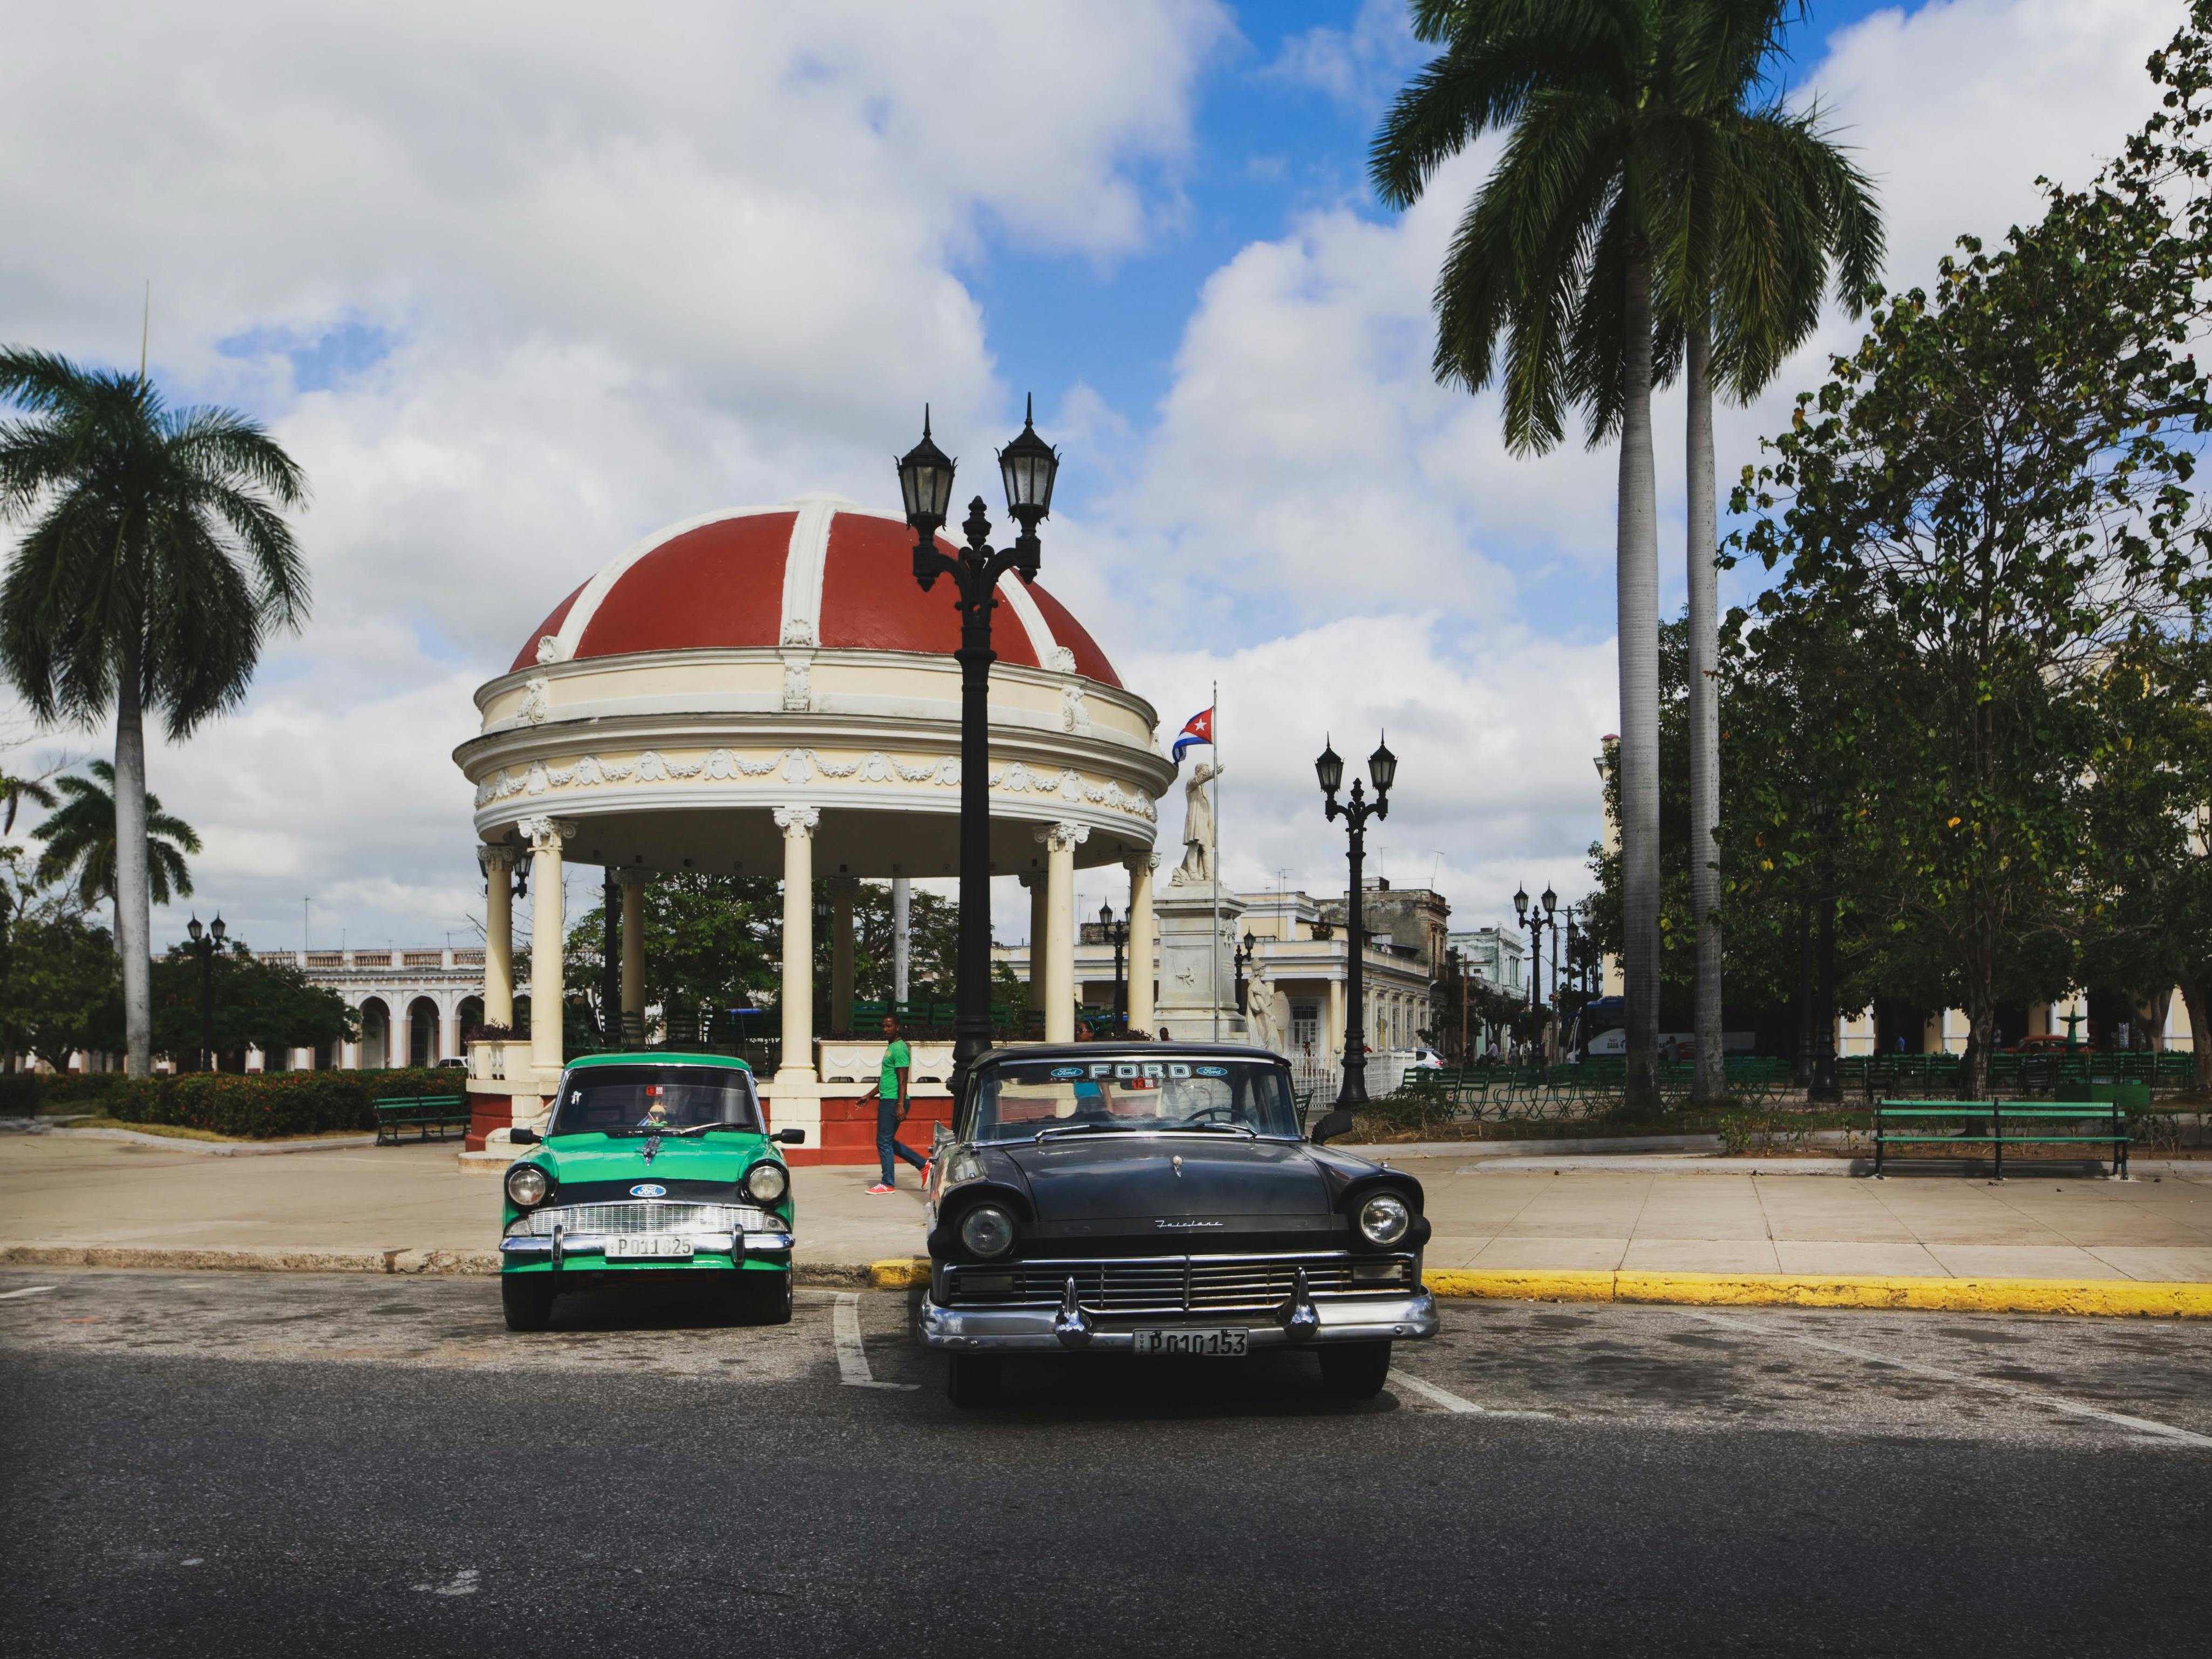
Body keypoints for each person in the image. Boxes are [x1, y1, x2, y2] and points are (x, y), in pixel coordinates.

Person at [866, 1014, 926, 1194]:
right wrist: (868, 1096)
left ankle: (888, 1183)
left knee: (883, 1142)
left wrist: (900, 1104)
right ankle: (923, 1164)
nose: (885, 1029)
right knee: (887, 1141)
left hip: (893, 1101)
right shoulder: (891, 1047)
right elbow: (886, 1079)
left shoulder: (900, 1049)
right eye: (883, 1026)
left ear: (898, 1027)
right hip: (888, 1098)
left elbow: (903, 1080)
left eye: (889, 1026)